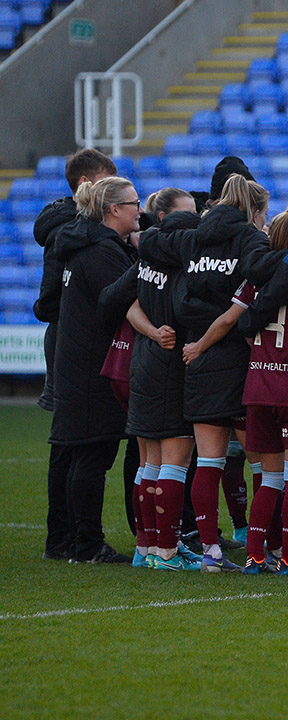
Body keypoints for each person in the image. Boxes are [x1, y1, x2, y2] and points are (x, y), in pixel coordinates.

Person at [138, 173, 282, 571]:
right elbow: (256, 293)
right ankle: (261, 549)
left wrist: (197, 316)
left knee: (209, 462)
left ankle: (210, 552)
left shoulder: (192, 238)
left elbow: (148, 241)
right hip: (238, 358)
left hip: (197, 358)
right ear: (254, 210)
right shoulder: (251, 241)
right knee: (261, 463)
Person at [106, 196, 203, 571]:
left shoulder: (146, 259)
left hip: (143, 362)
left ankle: (145, 548)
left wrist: (149, 331)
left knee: (148, 462)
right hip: (169, 368)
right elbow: (183, 310)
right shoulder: (180, 266)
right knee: (174, 463)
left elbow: (126, 303)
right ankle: (168, 551)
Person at [51, 176, 141, 564]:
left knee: (80, 454)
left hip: (76, 362)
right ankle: (87, 544)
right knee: (93, 455)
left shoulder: (81, 244)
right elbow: (117, 302)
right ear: (113, 210)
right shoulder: (102, 252)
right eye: (134, 203)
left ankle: (71, 541)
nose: (140, 209)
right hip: (94, 365)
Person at [34, 149, 118, 561]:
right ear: (87, 185)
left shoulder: (66, 231)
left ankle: (62, 539)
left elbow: (47, 301)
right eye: (106, 181)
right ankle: (70, 539)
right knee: (75, 445)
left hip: (67, 341)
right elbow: (48, 302)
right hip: (76, 345)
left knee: (67, 445)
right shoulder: (77, 235)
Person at [230, 208, 288, 575]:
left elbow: (236, 318)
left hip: (257, 384)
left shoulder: (254, 278)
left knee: (269, 478)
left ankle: (255, 556)